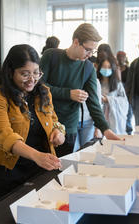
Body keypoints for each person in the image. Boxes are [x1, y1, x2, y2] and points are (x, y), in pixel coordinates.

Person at [0, 44, 65, 207]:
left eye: (36, 73)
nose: (32, 79)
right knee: (4, 214)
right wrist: (36, 155)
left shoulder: (43, 92)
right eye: (24, 74)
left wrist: (59, 131)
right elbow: (5, 136)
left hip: (38, 166)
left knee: (38, 209)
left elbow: (54, 120)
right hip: (6, 169)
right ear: (10, 72)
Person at [40, 23, 121, 157]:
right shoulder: (51, 56)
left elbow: (94, 103)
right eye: (88, 50)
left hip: (68, 128)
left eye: (93, 51)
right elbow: (39, 87)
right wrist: (68, 94)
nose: (90, 55)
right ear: (76, 42)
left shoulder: (88, 68)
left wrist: (106, 130)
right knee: (41, 172)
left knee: (60, 169)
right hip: (44, 122)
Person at [97, 56, 128, 134]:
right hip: (99, 116)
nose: (106, 69)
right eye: (104, 67)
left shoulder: (117, 84)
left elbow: (124, 101)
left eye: (109, 67)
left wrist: (108, 99)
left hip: (114, 118)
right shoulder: (96, 82)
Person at [117, 51, 133, 135]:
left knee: (128, 115)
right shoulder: (115, 69)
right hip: (118, 96)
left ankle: (129, 132)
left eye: (122, 56)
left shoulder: (128, 69)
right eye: (119, 56)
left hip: (127, 96)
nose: (121, 58)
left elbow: (131, 83)